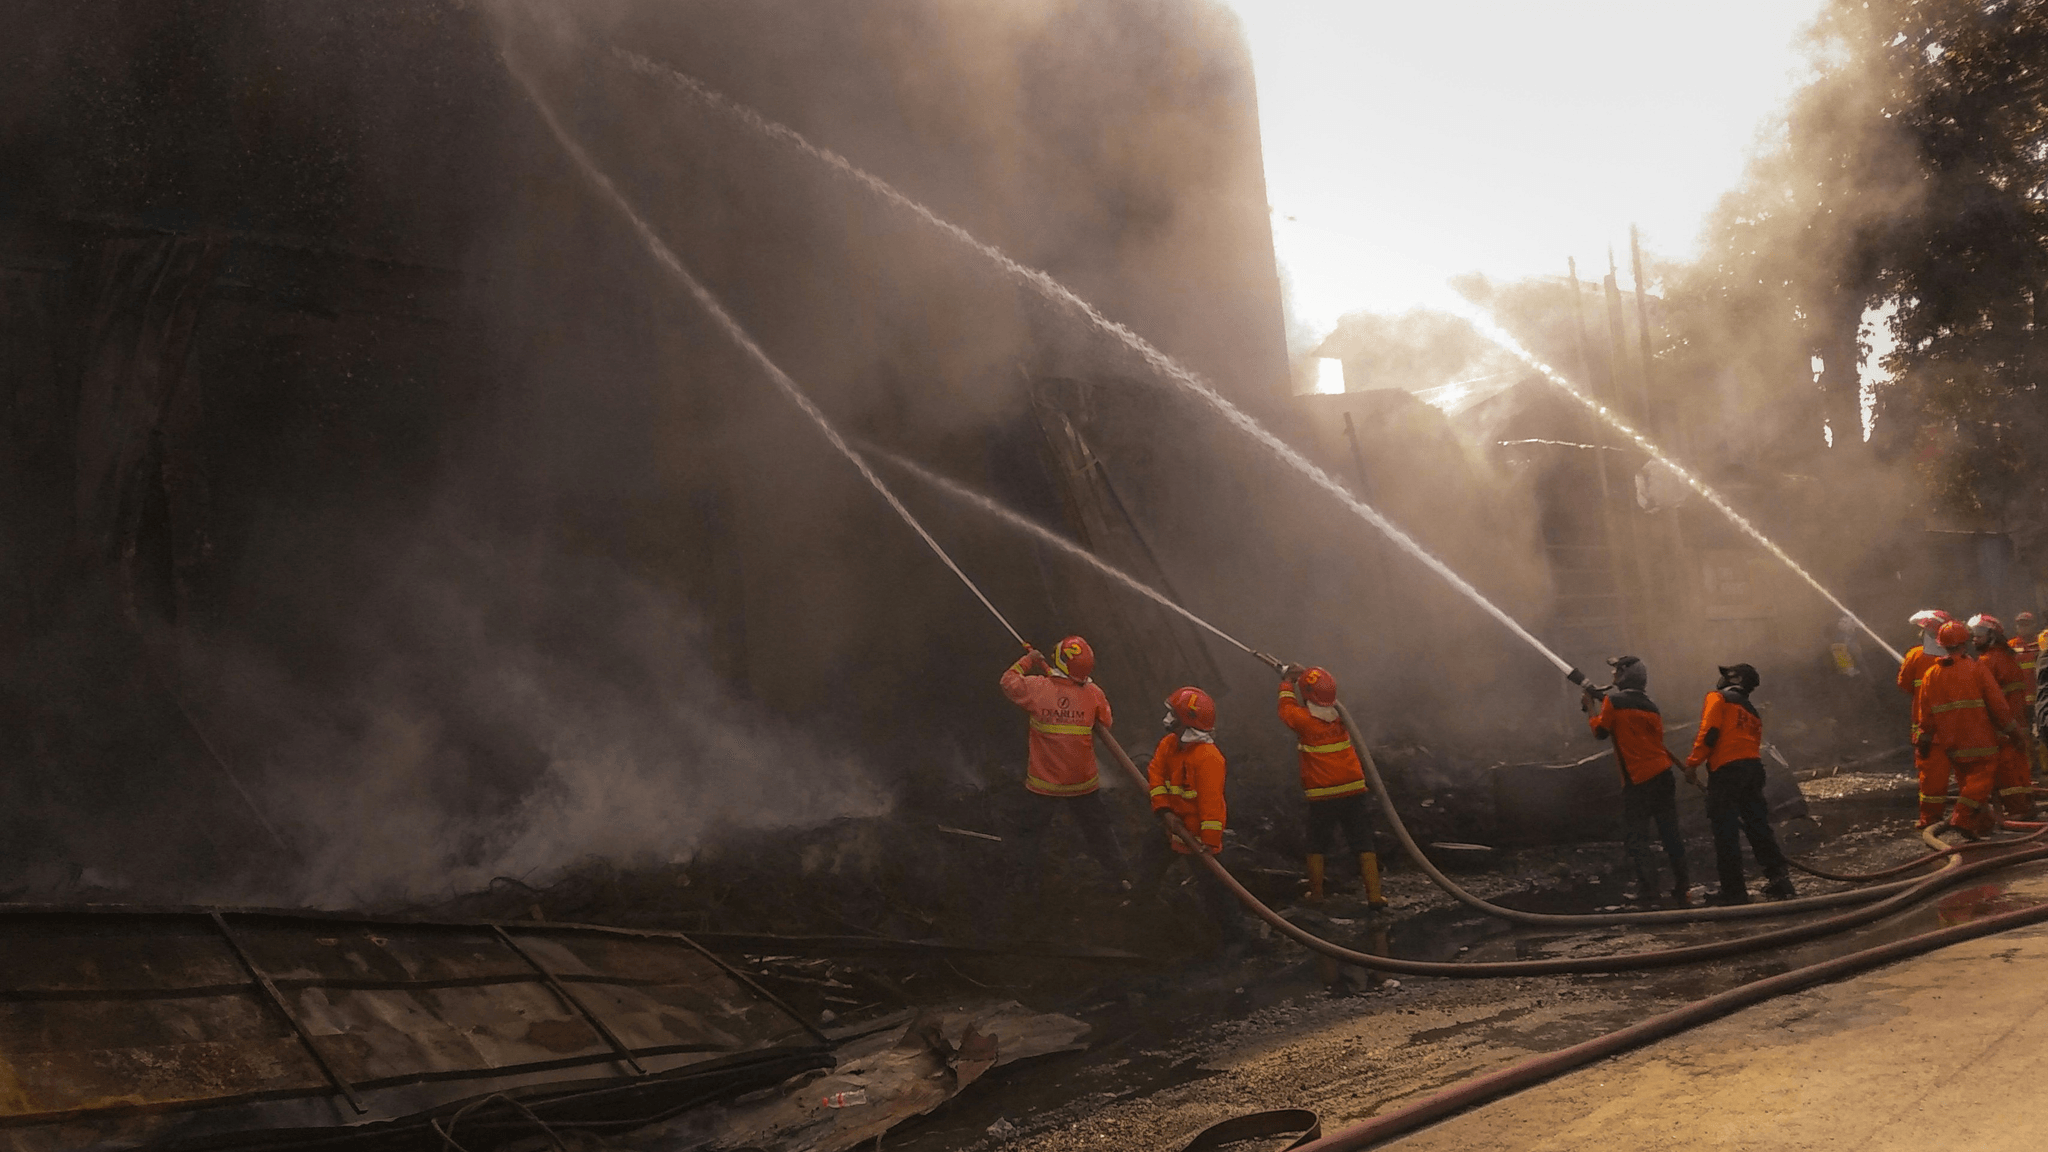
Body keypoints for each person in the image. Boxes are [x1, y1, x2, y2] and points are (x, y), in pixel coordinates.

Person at [999, 636, 1127, 895]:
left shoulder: (1037, 688)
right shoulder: (1093, 693)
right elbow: (1106, 722)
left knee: (1029, 835)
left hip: (1044, 784)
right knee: (1099, 830)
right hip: (1082, 783)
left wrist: (1030, 660)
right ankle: (1121, 877)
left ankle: (1020, 887)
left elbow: (1008, 682)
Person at [1582, 655, 1691, 906]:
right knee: (1670, 834)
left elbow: (1600, 731)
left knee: (1637, 838)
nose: (1612, 677)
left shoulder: (1614, 701)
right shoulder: (1651, 705)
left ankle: (1648, 892)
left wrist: (1590, 706)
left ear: (1624, 675)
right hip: (1663, 774)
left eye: (1615, 672)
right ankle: (1683, 886)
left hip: (1638, 779)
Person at [1275, 664, 1384, 908]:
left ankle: (1316, 894)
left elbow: (1285, 709)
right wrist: (1310, 677)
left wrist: (1287, 683)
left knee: (1316, 843)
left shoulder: (1303, 719)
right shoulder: (1342, 716)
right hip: (1353, 789)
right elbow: (1323, 694)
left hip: (1323, 794)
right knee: (1362, 840)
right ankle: (1375, 896)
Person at [1686, 663, 1795, 904]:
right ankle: (1780, 880)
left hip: (1726, 772)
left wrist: (1692, 764)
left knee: (1725, 831)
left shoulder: (1717, 698)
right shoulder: (1752, 711)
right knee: (1758, 826)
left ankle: (1733, 891)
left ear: (1735, 678)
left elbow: (1710, 732)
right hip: (1753, 770)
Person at [1146, 686, 1244, 945]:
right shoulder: (1169, 744)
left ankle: (1234, 941)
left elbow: (1212, 805)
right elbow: (1155, 773)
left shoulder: (1208, 758)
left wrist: (1209, 843)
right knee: (1147, 869)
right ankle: (1138, 916)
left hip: (1197, 839)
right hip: (1171, 828)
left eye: (1173, 714)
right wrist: (1163, 810)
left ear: (1185, 721)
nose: (1168, 717)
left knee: (1216, 890)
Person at [1918, 621, 2022, 836]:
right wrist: (2014, 732)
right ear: (1965, 642)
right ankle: (1962, 818)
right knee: (1982, 778)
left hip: (1952, 744)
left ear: (1941, 645)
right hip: (1979, 739)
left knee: (1967, 783)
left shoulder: (1931, 675)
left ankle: (1981, 824)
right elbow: (1998, 705)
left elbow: (1925, 712)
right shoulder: (1975, 669)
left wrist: (1925, 736)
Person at [1970, 614, 2036, 819]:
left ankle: (2017, 810)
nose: (1974, 639)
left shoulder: (1988, 661)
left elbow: (1987, 699)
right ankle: (2025, 805)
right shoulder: (2006, 657)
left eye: (1979, 634)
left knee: (2007, 770)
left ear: (1993, 636)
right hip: (2016, 722)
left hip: (2002, 726)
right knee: (2019, 766)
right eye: (1973, 634)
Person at [1897, 610, 1953, 818]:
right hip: (1956, 726)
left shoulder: (1915, 655)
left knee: (1931, 778)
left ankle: (1930, 819)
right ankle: (1972, 818)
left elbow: (1903, 685)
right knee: (1969, 774)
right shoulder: (1959, 658)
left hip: (1925, 728)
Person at [2013, 611, 2044, 777]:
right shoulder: (2011, 646)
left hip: (2041, 698)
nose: (2023, 628)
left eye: (2026, 624)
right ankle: (2030, 767)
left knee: (2043, 732)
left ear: (2033, 625)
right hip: (2021, 699)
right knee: (2025, 734)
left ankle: (2045, 768)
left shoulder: (2042, 643)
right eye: (2020, 624)